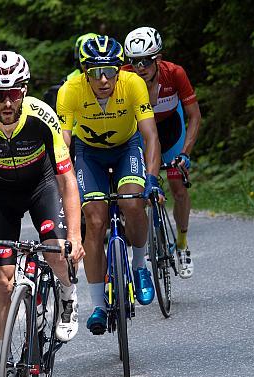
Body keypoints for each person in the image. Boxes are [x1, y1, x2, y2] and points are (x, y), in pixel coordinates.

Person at [0, 51, 84, 377]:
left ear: (25, 90)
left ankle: (66, 295)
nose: (7, 102)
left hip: (41, 185)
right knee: (0, 280)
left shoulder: (42, 116)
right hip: (1, 193)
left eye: (14, 93)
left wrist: (74, 237)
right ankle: (4, 365)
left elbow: (66, 178)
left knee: (55, 253)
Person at [56, 35, 164, 335]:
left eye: (109, 71)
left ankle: (140, 266)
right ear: (84, 72)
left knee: (132, 202)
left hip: (126, 146)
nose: (103, 79)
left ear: (120, 69)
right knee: (94, 219)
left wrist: (152, 180)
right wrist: (60, 179)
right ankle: (99, 306)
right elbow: (63, 140)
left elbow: (151, 136)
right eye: (94, 72)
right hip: (89, 153)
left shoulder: (133, 84)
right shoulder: (69, 91)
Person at [123, 27, 201, 278]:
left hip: (170, 131)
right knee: (140, 191)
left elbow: (194, 116)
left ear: (158, 58)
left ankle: (181, 243)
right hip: (140, 134)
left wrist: (186, 153)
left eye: (145, 61)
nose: (139, 67)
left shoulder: (174, 73)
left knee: (178, 189)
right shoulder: (123, 77)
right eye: (134, 61)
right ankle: (147, 243)